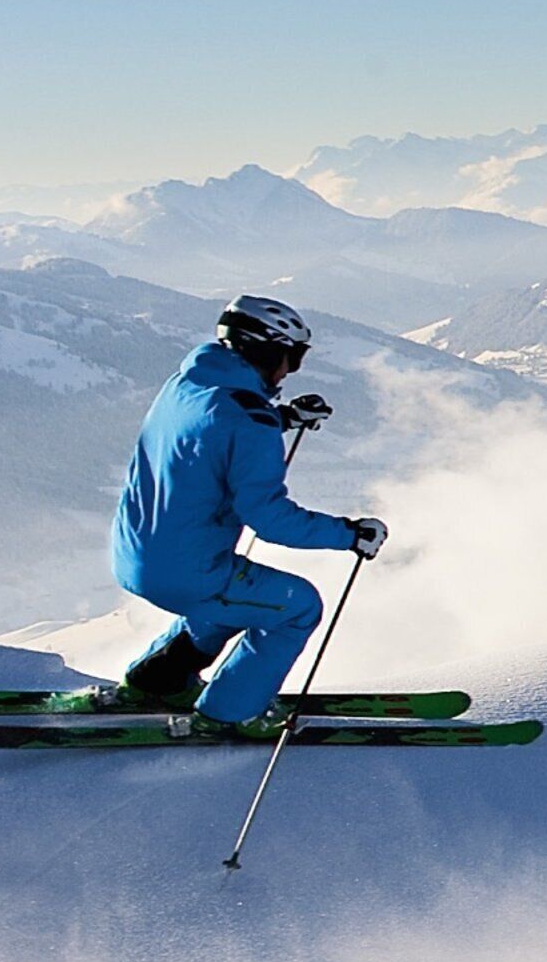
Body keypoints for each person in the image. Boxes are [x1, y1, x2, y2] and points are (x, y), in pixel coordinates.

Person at [110, 296, 389, 733]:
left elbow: (212, 432)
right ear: (264, 350)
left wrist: (284, 417)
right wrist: (349, 534)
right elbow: (270, 518)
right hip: (187, 572)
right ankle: (229, 714)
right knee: (298, 606)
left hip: (135, 557)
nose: (288, 371)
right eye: (291, 358)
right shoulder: (248, 419)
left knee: (237, 598)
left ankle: (157, 680)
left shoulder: (187, 384)